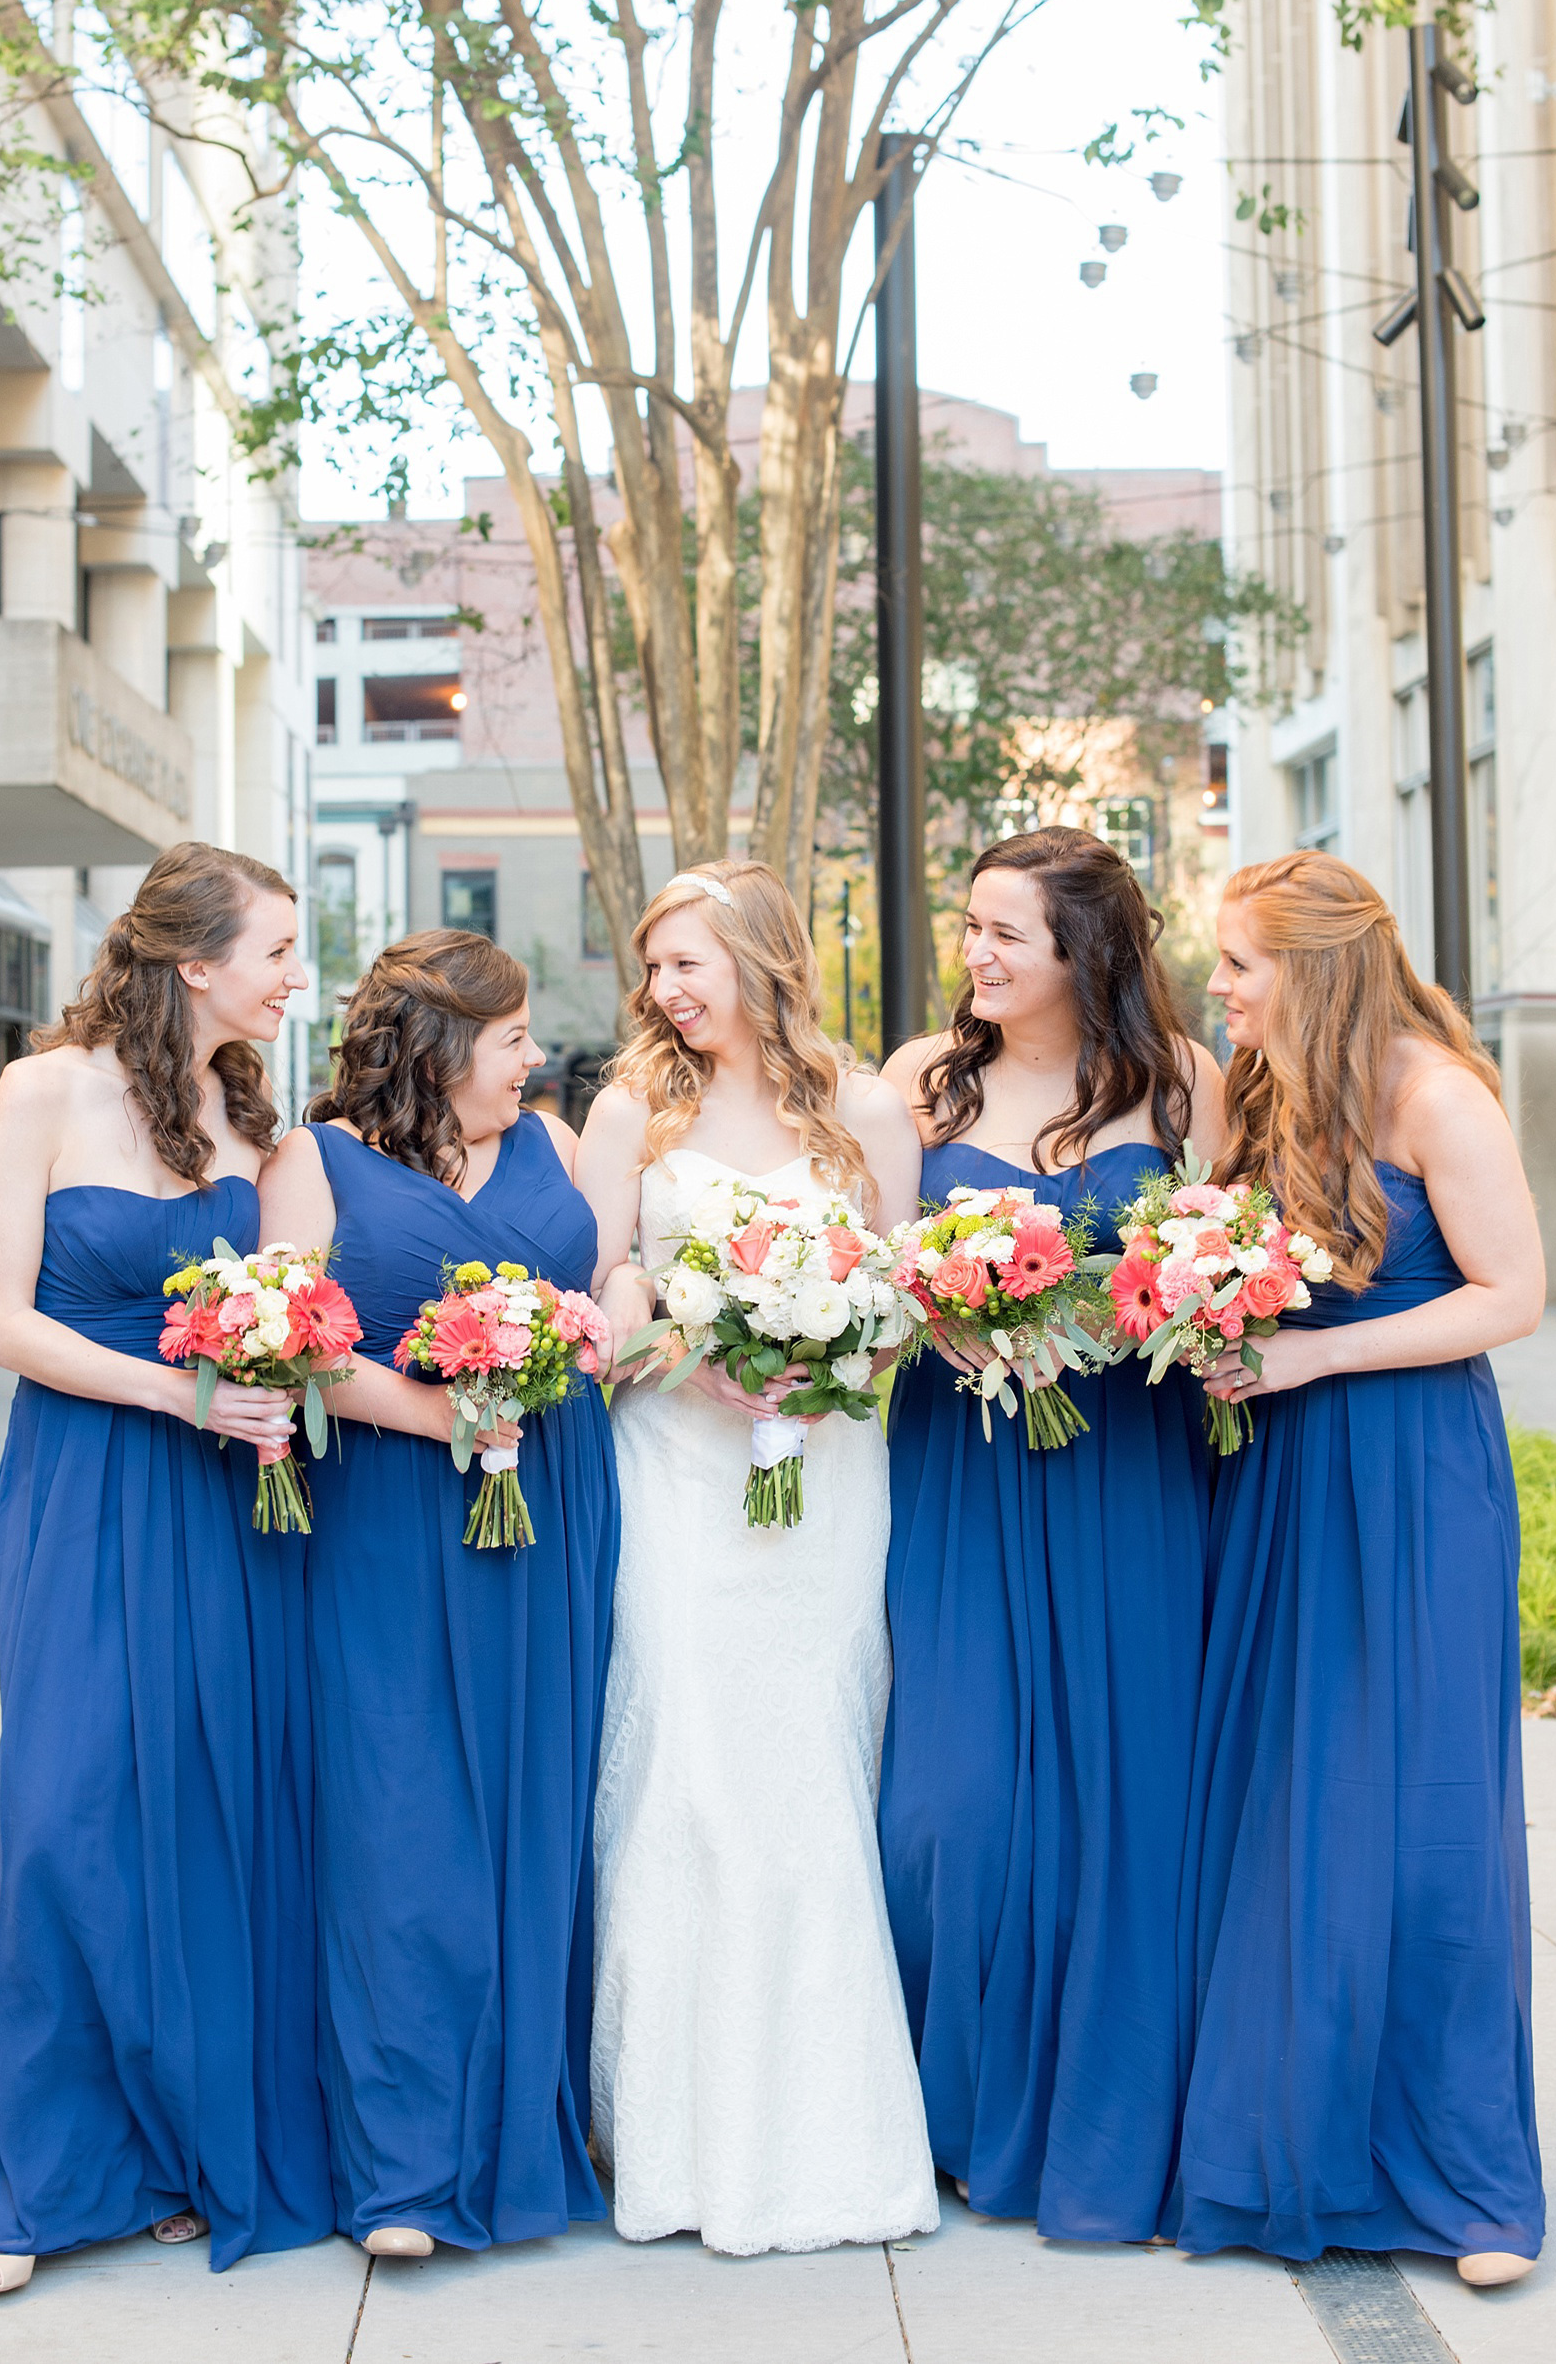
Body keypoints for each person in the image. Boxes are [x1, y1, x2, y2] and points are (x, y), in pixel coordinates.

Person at [0, 844, 330, 2294]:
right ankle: (41, 2175)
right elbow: (0, 1318)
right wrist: (177, 1393)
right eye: (279, 949)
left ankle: (177, 2146)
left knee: (207, 1810)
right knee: (70, 1812)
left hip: (232, 1501)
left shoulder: (247, 1114)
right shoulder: (42, 1089)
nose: (296, 975)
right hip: (90, 1483)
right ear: (195, 960)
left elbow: (289, 1303)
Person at [1179, 852, 1544, 2283]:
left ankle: (1467, 2184)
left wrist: (1315, 1347)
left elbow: (1510, 1292)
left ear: (1315, 968)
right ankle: (1294, 2145)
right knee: (1289, 1799)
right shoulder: (1260, 1090)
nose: (1218, 985)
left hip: (1410, 1476)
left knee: (1427, 1810)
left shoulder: (1440, 1091)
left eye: (1239, 963)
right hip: (1272, 1475)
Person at [577, 862, 939, 2257]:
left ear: (758, 956)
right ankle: (672, 2131)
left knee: (810, 1756)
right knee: (684, 1756)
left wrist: (835, 1346)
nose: (666, 989)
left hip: (830, 1472)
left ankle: (828, 2129)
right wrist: (686, 1345)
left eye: (689, 963)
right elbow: (610, 1275)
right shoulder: (631, 1107)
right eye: (655, 965)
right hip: (678, 1463)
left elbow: (905, 1284)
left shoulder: (859, 1108)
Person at [878, 827, 1228, 2240]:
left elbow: (1230, 1258)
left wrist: (1144, 1306)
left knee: (1119, 1797)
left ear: (1088, 949)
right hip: (961, 1466)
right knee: (947, 1803)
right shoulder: (923, 1080)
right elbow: (870, 1268)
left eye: (1007, 932)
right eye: (970, 927)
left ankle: (1108, 2108)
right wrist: (947, 1308)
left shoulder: (1184, 1085)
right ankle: (956, 2107)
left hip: (1126, 1476)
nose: (979, 954)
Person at [256, 932, 619, 2259]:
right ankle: (404, 2166)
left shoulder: (556, 1143)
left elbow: (599, 1290)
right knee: (401, 1823)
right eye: (514, 1036)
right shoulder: (316, 1160)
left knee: (538, 1811)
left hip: (552, 1513)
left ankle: (526, 2128)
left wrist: (600, 1322)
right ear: (443, 1044)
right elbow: (288, 1336)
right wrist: (446, 1416)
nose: (534, 1057)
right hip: (396, 1525)